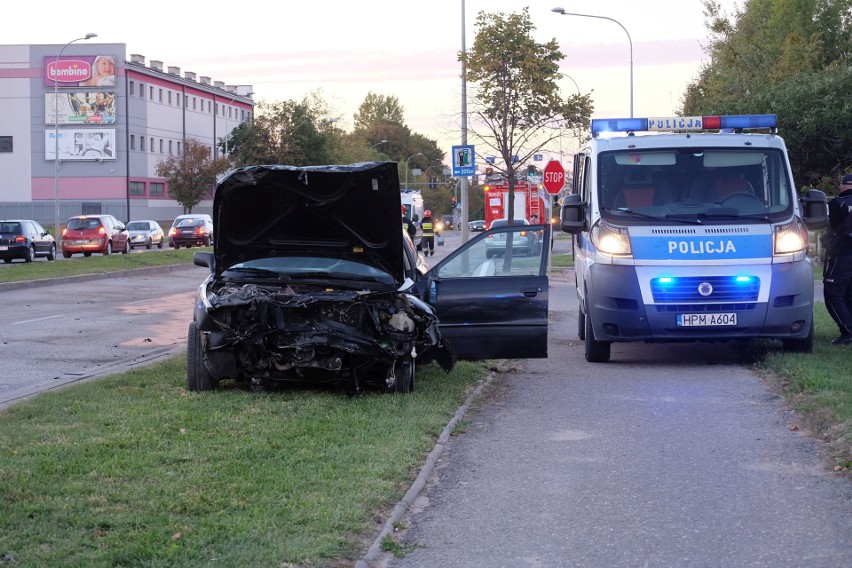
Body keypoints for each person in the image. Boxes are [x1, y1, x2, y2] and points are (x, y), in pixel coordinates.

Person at [823, 173, 852, 345]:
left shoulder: (837, 203)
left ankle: (847, 331)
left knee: (832, 294)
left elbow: (825, 222)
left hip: (841, 255)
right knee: (849, 294)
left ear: (842, 186)